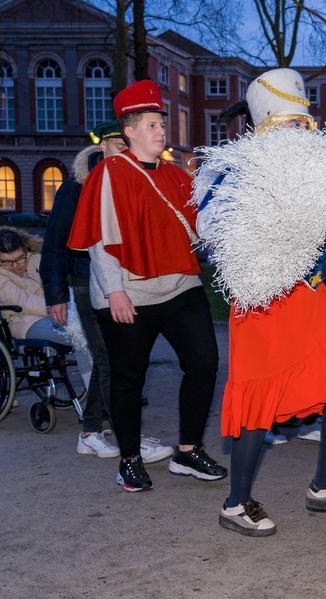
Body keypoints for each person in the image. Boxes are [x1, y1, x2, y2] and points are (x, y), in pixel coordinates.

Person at [205, 68, 326, 537]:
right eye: (290, 124)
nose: (301, 131)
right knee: (256, 407)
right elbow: (212, 229)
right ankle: (235, 502)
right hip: (262, 304)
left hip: (310, 300)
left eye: (304, 122)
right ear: (266, 127)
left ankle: (323, 485)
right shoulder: (235, 168)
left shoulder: (320, 172)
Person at [68, 80, 226, 493]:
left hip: (181, 285)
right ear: (131, 130)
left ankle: (188, 451)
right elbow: (102, 237)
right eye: (153, 124)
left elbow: (199, 227)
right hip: (129, 293)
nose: (161, 131)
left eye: (161, 123)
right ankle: (129, 460)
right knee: (127, 377)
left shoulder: (176, 175)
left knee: (204, 362)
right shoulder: (110, 173)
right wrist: (114, 290)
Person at [39, 122, 172, 463]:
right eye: (118, 145)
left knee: (116, 359)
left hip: (124, 282)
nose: (124, 152)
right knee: (111, 358)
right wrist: (55, 294)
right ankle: (119, 436)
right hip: (86, 281)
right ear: (104, 147)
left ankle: (91, 431)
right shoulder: (78, 186)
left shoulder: (132, 180)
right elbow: (54, 244)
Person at [0, 227, 92, 382]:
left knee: (90, 333)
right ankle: (95, 395)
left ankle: (96, 393)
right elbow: (22, 301)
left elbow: (58, 284)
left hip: (57, 313)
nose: (16, 266)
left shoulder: (36, 258)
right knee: (79, 334)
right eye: (7, 262)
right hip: (23, 321)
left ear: (25, 249)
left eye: (20, 258)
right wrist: (57, 307)